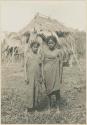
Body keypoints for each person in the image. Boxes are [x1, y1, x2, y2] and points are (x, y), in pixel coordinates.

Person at [43, 35, 63, 113]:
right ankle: (49, 108)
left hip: (56, 73)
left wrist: (60, 75)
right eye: (49, 43)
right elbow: (42, 63)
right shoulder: (45, 51)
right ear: (47, 44)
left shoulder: (58, 51)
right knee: (49, 92)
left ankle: (58, 108)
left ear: (55, 43)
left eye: (52, 43)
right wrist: (43, 74)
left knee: (57, 91)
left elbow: (61, 64)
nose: (50, 44)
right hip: (47, 73)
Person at [25, 40, 42, 113]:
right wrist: (26, 76)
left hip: (37, 76)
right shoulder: (28, 55)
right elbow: (25, 67)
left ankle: (36, 107)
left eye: (37, 47)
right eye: (34, 47)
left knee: (37, 91)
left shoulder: (39, 56)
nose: (36, 49)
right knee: (30, 91)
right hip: (30, 76)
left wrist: (41, 76)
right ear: (31, 47)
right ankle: (29, 108)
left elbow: (41, 66)